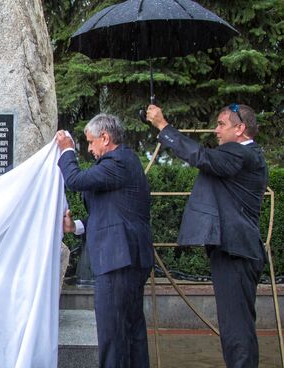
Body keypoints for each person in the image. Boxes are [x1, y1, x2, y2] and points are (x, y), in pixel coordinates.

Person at [146, 103, 268, 368]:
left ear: (240, 129)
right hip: (234, 251)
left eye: (222, 124)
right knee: (235, 326)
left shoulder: (241, 154)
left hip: (236, 252)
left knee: (236, 330)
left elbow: (203, 157)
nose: (216, 130)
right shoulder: (242, 154)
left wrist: (163, 126)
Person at [56, 113, 154, 368]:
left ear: (105, 137)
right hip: (126, 258)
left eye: (90, 142)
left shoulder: (118, 161)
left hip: (118, 260)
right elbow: (111, 214)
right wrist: (75, 226)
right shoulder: (122, 164)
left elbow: (75, 180)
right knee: (131, 332)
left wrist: (67, 151)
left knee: (113, 334)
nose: (89, 149)